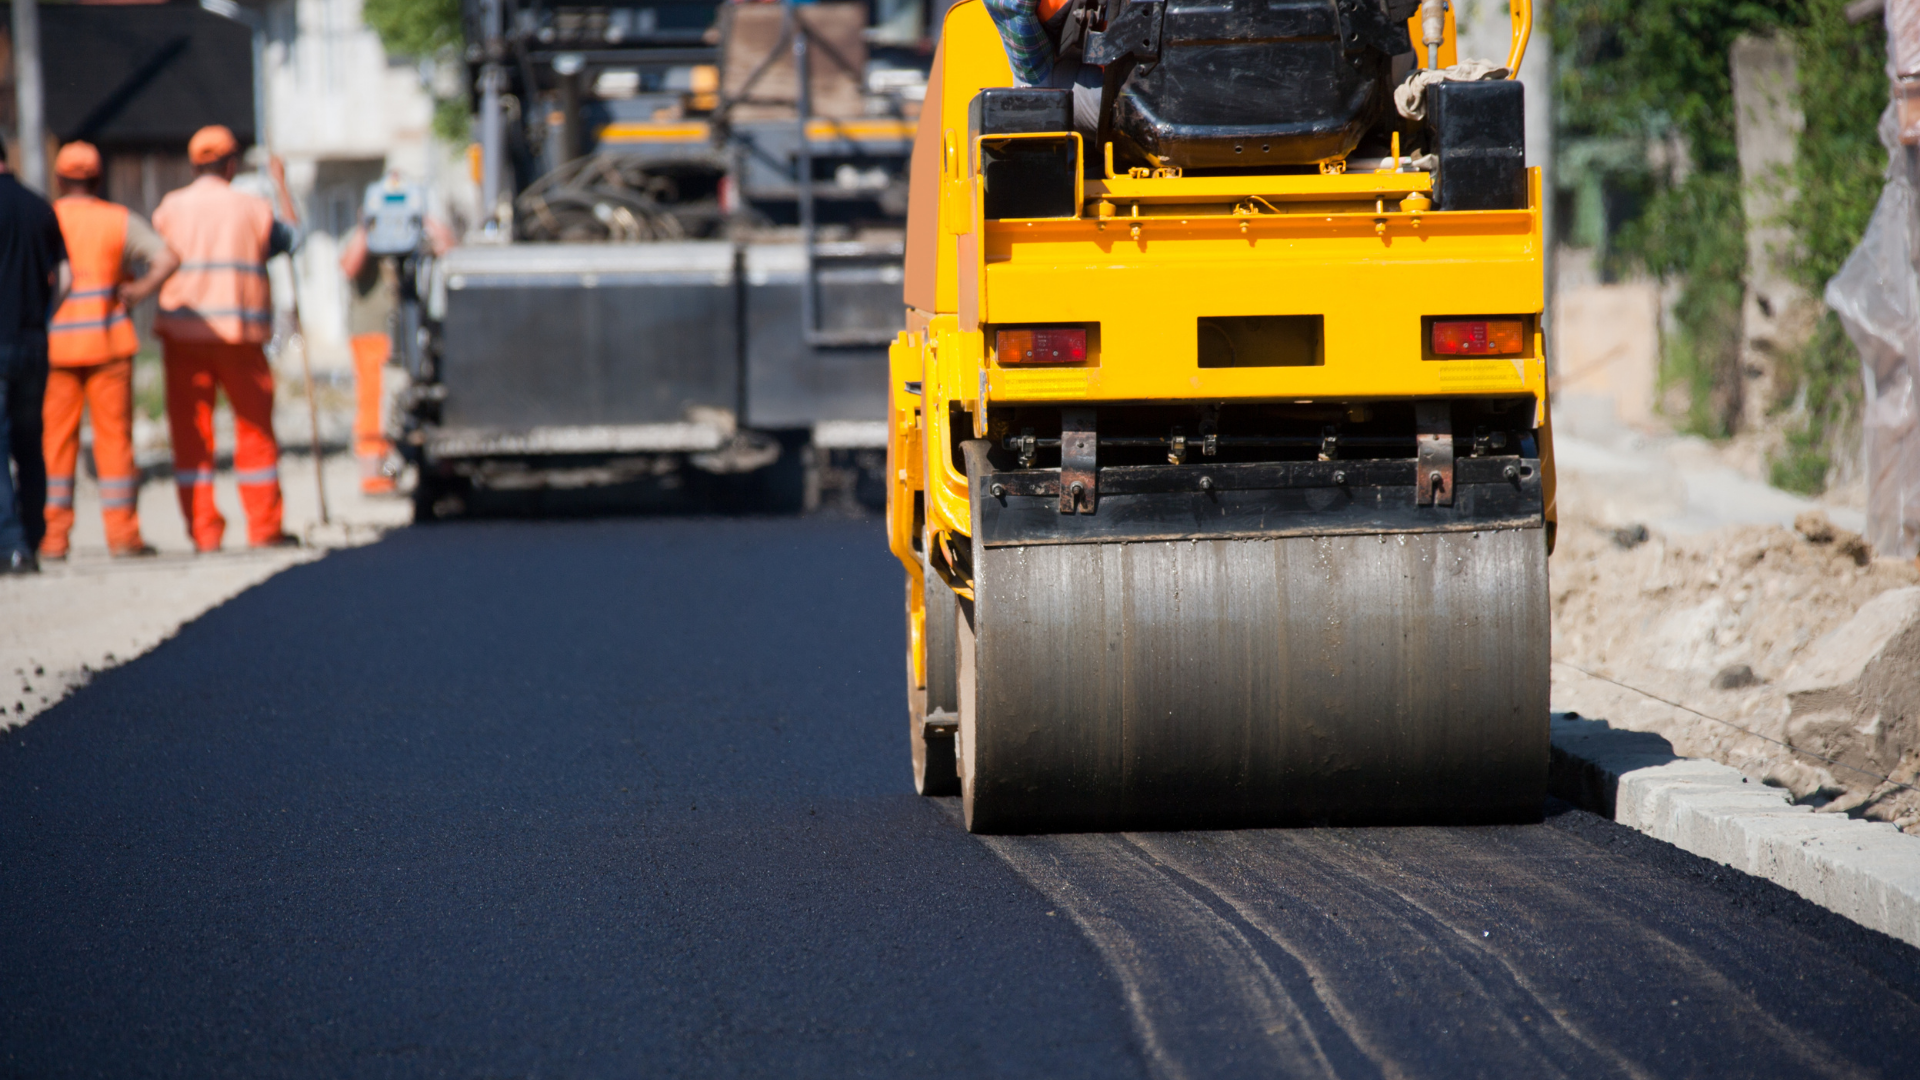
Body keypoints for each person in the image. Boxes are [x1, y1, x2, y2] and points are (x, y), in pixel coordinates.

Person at [151, 125, 301, 552]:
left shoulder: (170, 208)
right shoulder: (253, 208)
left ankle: (204, 533)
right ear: (232, 164)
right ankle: (265, 528)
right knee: (254, 432)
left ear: (194, 164)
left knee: (191, 436)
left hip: (183, 337)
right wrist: (282, 185)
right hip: (241, 339)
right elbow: (293, 239)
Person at [41, 141, 179, 561]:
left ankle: (52, 538)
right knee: (114, 442)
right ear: (98, 179)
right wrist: (137, 291)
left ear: (60, 179)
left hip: (57, 347)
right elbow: (167, 257)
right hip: (108, 344)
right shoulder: (117, 220)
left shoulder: (48, 219)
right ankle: (122, 536)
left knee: (55, 444)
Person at [337, 171, 453, 496]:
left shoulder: (417, 231)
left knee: (415, 399)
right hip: (371, 333)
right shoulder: (362, 234)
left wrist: (423, 217)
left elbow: (450, 250)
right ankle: (374, 474)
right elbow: (348, 266)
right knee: (374, 403)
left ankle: (412, 464)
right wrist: (371, 226)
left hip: (415, 334)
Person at [0, 154, 70, 575]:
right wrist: (44, 318)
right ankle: (34, 535)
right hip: (33, 342)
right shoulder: (40, 206)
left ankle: (11, 545)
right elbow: (66, 278)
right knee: (30, 443)